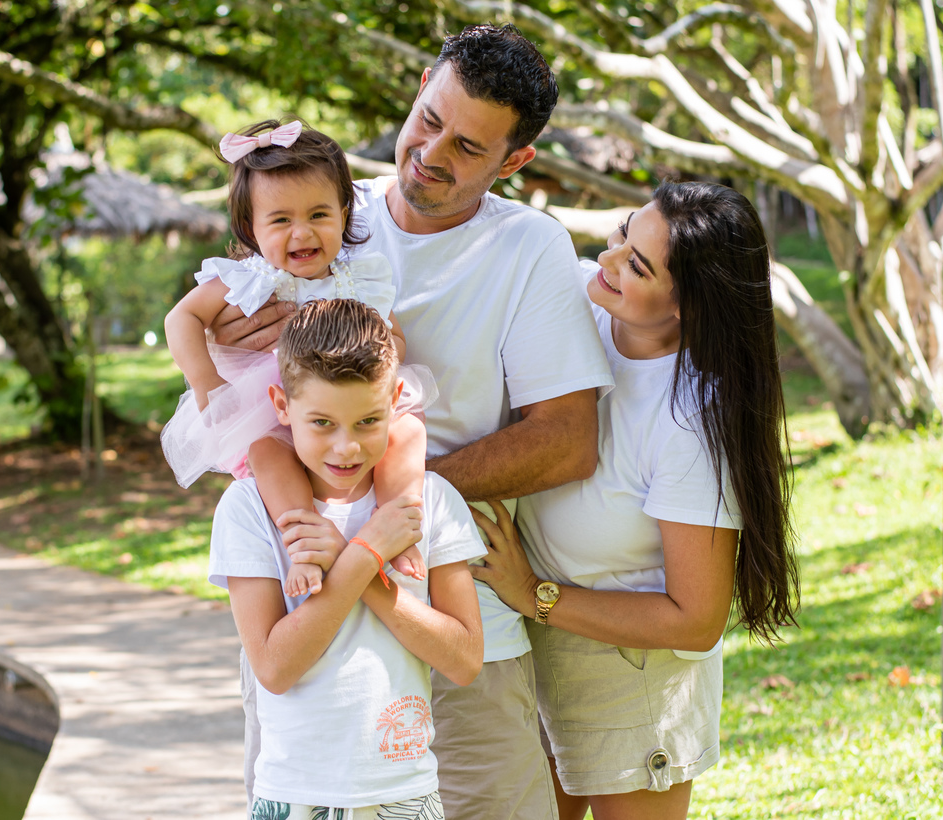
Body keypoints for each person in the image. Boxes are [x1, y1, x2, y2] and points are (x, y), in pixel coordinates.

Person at [213, 23, 615, 820]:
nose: (431, 152)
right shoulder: (315, 215)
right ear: (422, 83)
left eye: (468, 147)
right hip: (312, 619)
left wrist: (389, 515)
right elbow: (240, 390)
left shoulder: (528, 247)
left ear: (514, 162)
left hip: (454, 615)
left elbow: (568, 438)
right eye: (429, 118)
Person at [471, 182, 801, 820]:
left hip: (633, 673)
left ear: (688, 307)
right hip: (529, 647)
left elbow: (695, 619)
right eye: (623, 234)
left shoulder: (689, 422)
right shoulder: (577, 305)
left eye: (636, 264)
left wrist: (533, 593)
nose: (608, 259)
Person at [209, 298, 484, 819]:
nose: (346, 448)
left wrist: (357, 560)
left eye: (367, 421)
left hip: (404, 791)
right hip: (294, 794)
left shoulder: (428, 502)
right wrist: (363, 558)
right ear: (281, 406)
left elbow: (464, 660)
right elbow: (273, 667)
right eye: (321, 423)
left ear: (396, 400)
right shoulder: (248, 509)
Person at [162, 119, 431, 598]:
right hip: (271, 408)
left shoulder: (361, 278)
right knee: (268, 452)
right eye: (281, 220)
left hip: (346, 404)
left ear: (345, 214)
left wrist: (377, 356)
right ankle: (302, 535)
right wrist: (206, 380)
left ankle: (399, 526)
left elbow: (396, 338)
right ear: (251, 227)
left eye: (319, 215)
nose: (302, 233)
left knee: (408, 430)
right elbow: (181, 319)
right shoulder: (246, 279)